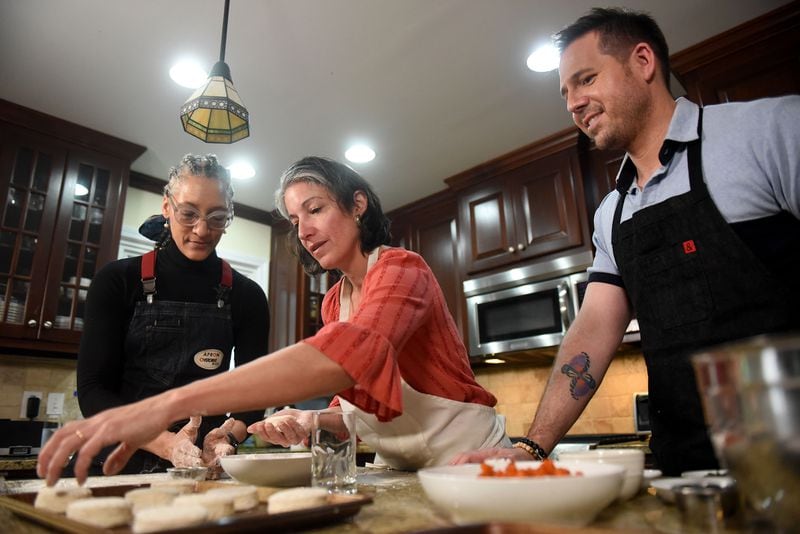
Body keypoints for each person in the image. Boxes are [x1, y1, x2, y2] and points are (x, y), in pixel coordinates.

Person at [453, 7, 800, 475]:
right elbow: (594, 329)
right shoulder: (611, 214)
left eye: (586, 79)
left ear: (642, 61)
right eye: (566, 92)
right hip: (687, 476)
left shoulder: (770, 131)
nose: (573, 103)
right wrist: (533, 447)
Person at [39, 156, 509, 485]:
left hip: (470, 461)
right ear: (168, 209)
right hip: (404, 468)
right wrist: (310, 419)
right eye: (294, 219)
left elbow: (351, 357)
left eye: (316, 209)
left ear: (357, 205)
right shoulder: (333, 303)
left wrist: (166, 406)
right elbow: (361, 414)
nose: (302, 231)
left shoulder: (402, 269)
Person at [73, 153, 270, 475]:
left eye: (217, 218)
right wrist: (166, 443)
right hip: (117, 463)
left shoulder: (247, 296)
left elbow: (255, 396)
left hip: (199, 464)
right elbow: (93, 391)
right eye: (188, 213)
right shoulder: (118, 281)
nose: (202, 230)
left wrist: (227, 439)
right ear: (167, 207)